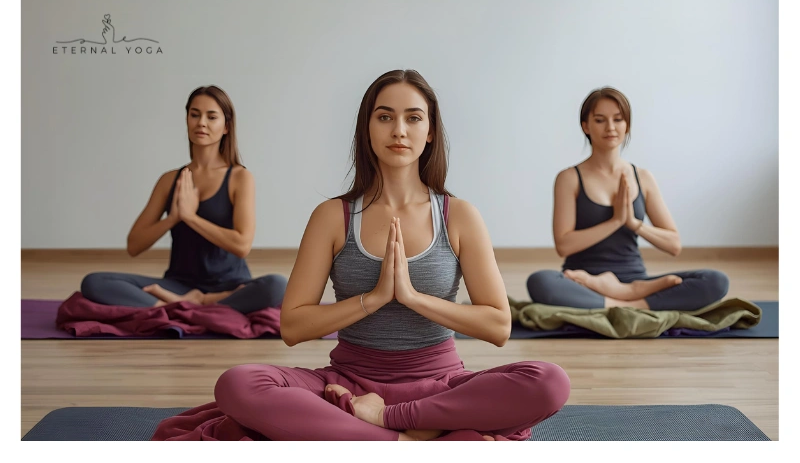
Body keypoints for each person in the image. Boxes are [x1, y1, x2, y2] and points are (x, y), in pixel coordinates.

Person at [157, 70, 570, 441]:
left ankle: (386, 421)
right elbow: (293, 326)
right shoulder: (332, 216)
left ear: (430, 132)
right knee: (238, 384)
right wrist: (371, 300)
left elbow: (498, 326)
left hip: (439, 385)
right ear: (367, 129)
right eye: (385, 116)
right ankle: (407, 441)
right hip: (347, 384)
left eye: (413, 118)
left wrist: (410, 297)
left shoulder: (458, 215)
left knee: (549, 381)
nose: (399, 130)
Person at [80, 85, 286, 315]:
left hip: (230, 286)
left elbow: (241, 245)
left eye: (211, 116)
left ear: (226, 126)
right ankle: (186, 305)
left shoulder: (240, 177)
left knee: (277, 285)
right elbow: (134, 245)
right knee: (94, 282)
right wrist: (174, 218)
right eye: (194, 114)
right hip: (178, 285)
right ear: (187, 120)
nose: (201, 123)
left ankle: (192, 304)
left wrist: (190, 217)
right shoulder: (170, 180)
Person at [526, 87, 729, 311]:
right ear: (586, 126)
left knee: (715, 281)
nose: (611, 128)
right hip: (584, 281)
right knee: (541, 282)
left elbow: (674, 245)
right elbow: (564, 246)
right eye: (600, 120)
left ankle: (620, 300)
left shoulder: (643, 178)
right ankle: (634, 303)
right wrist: (614, 221)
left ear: (627, 125)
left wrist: (634, 224)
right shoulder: (569, 178)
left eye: (618, 119)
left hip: (637, 280)